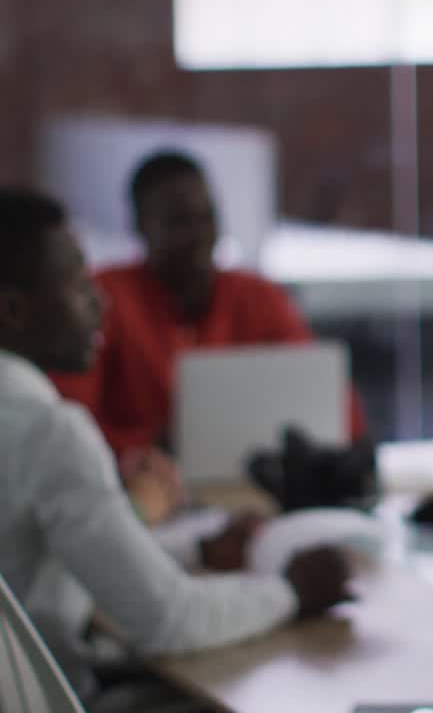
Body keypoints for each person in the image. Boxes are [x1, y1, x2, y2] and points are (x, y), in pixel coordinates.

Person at [0, 186, 354, 705]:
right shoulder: (47, 429)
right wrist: (295, 591)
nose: (101, 303)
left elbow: (50, 565)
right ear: (12, 310)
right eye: (78, 286)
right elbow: (169, 621)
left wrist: (197, 548)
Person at [51, 150, 367, 503]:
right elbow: (67, 426)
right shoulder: (104, 299)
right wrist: (148, 446)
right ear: (139, 225)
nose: (198, 235)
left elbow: (331, 403)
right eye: (178, 222)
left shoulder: (257, 296)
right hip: (140, 500)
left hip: (254, 496)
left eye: (206, 217)